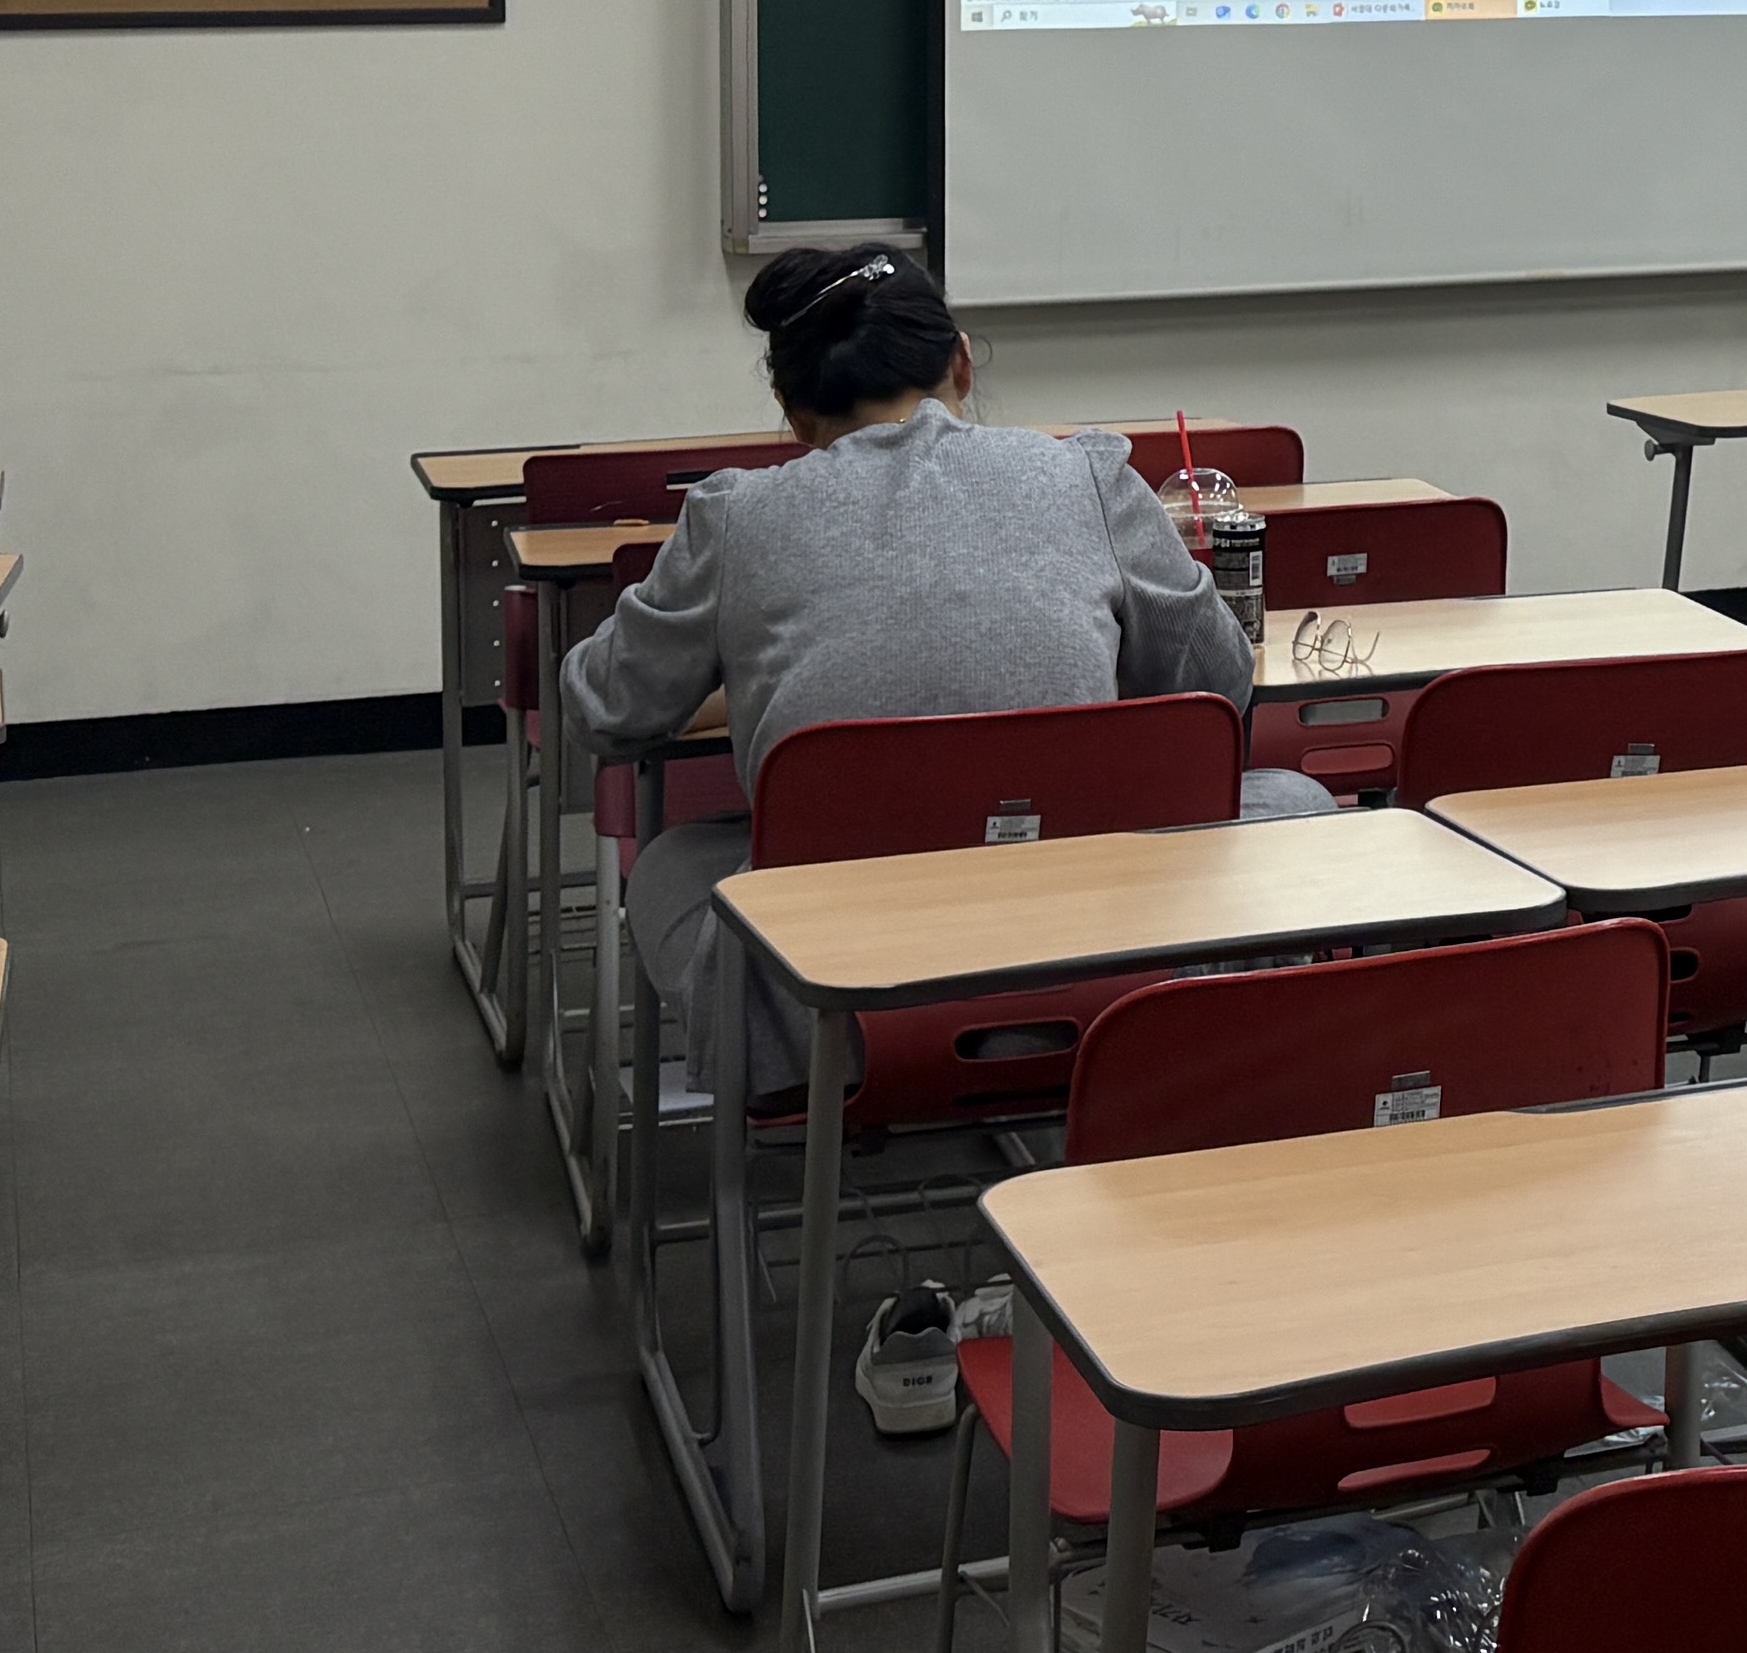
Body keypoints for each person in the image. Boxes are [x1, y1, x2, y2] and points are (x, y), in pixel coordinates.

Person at [562, 246, 1332, 1086]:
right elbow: (1218, 679)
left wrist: (731, 672)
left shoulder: (737, 516)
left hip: (839, 1000)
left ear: (792, 410)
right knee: (1298, 807)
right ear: (962, 362)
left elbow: (607, 709)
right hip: (1113, 955)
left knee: (670, 863)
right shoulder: (1089, 475)